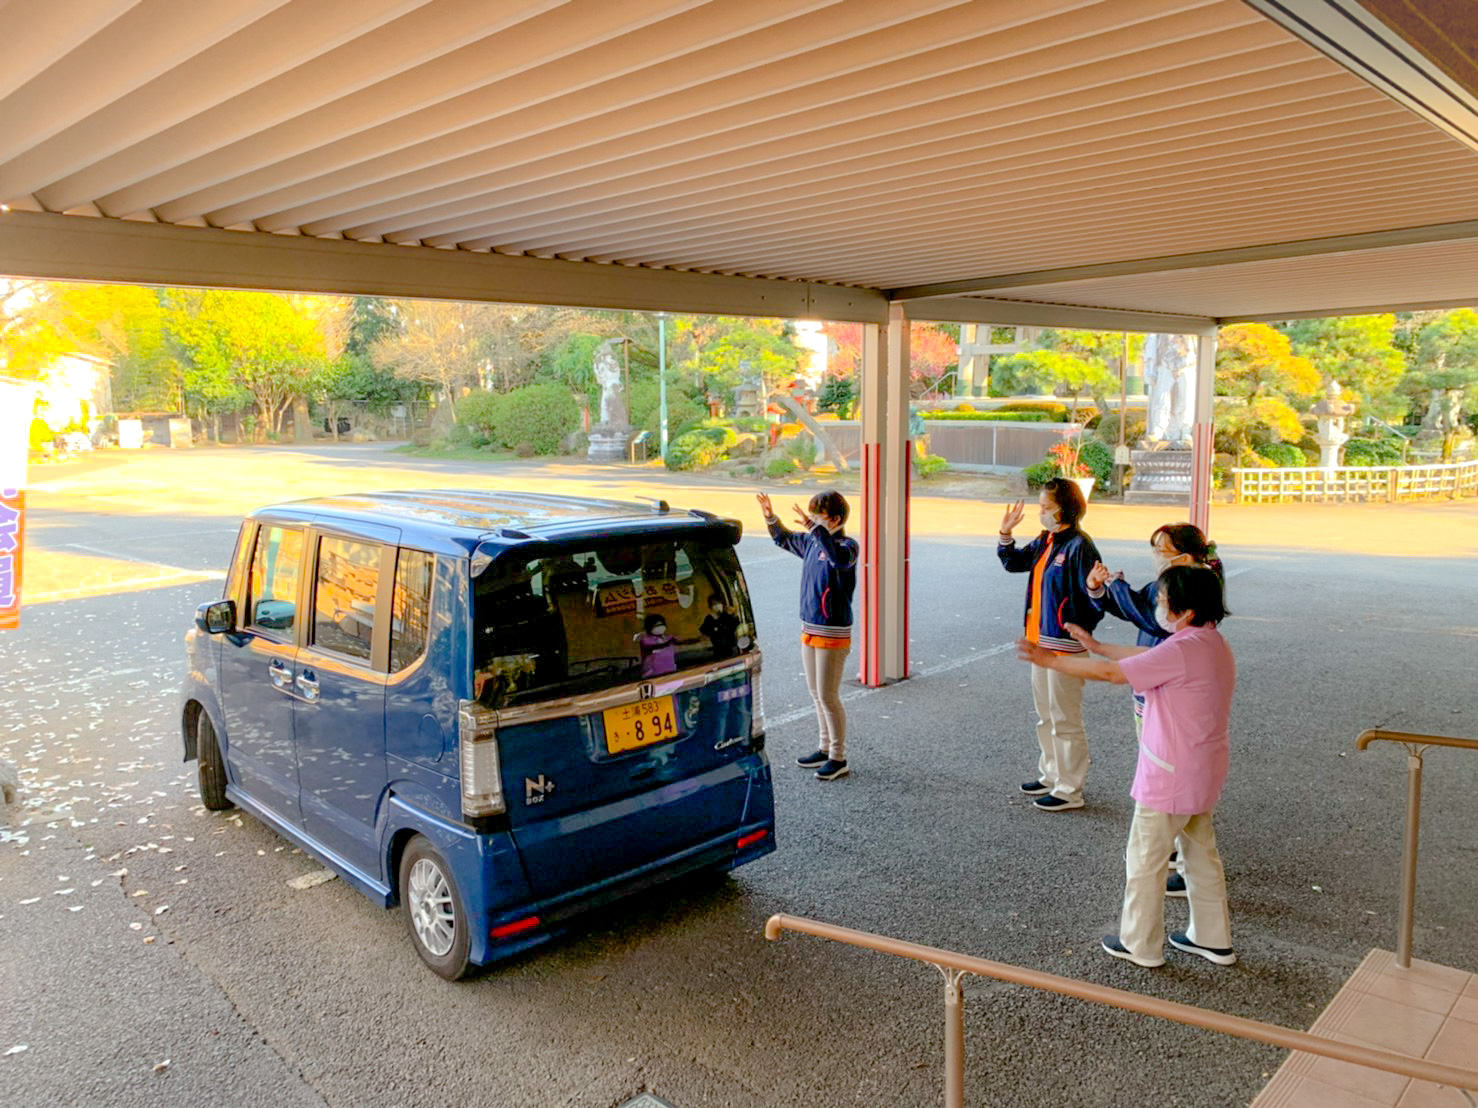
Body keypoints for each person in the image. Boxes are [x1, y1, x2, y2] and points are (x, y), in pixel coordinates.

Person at [1017, 565, 1237, 968]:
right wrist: (1096, 645)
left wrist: (1051, 661)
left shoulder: (1180, 650)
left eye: (1163, 601)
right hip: (1202, 771)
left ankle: (1140, 944)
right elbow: (1145, 658)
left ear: (1186, 611)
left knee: (1145, 860)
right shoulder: (1211, 643)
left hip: (1169, 775)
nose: (1159, 607)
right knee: (1201, 855)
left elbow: (1113, 674)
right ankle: (1212, 938)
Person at [1084, 523, 1225, 896]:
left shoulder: (1193, 588)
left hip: (1171, 697)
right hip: (1153, 687)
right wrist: (1100, 589)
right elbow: (1135, 608)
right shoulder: (1171, 585)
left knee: (1170, 783)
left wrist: (1116, 588)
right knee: (1176, 784)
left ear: (1186, 555)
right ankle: (1181, 860)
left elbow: (1147, 617)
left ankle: (1175, 861)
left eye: (1162, 550)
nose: (1155, 556)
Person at [997, 478, 1104, 811]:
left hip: (1065, 647)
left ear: (1066, 508)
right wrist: (1005, 534)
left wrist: (1079, 626)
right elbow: (1014, 563)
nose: (1041, 512)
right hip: (1039, 643)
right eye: (1040, 506)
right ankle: (1052, 774)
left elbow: (1096, 596)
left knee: (1065, 718)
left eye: (1047, 507)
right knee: (1045, 715)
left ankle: (1070, 789)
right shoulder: (1047, 539)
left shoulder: (1080, 546)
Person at [757, 489, 858, 781]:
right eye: (811, 514)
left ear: (835, 520)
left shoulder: (848, 546)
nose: (811, 519)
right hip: (810, 627)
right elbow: (784, 538)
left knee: (828, 695)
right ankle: (825, 748)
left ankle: (838, 757)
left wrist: (815, 529)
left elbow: (838, 560)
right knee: (816, 694)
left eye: (818, 515)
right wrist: (770, 517)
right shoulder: (812, 542)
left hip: (833, 631)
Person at [699, 594, 741, 659]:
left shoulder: (727, 616)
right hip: (718, 651)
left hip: (732, 649)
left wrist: (734, 614)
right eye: (714, 604)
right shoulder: (709, 619)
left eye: (718, 603)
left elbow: (736, 624)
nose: (717, 606)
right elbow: (703, 631)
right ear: (710, 607)